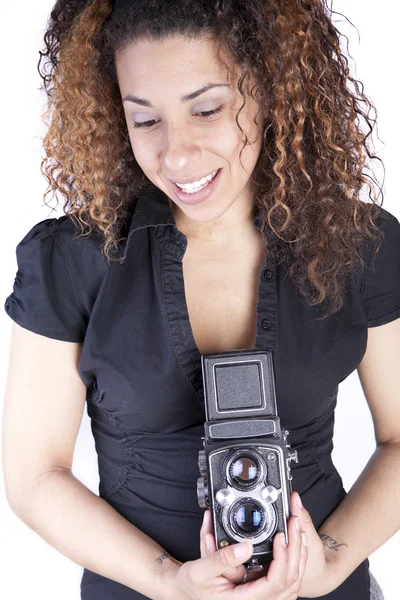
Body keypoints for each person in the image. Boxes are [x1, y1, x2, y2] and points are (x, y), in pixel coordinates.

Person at [2, 0, 399, 599]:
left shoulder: (357, 243)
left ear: (269, 91)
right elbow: (35, 476)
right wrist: (170, 582)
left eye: (207, 109)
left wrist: (330, 563)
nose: (177, 155)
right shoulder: (73, 259)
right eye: (145, 120)